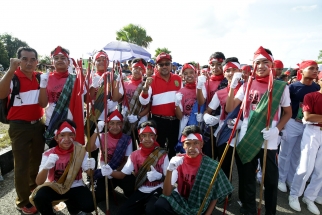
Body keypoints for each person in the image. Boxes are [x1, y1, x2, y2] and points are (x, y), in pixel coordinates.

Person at [226, 46, 292, 215]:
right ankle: (247, 209)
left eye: (265, 62)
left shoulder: (281, 86)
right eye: (257, 63)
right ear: (253, 65)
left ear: (271, 65)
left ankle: (270, 211)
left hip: (269, 136)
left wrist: (277, 130)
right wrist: (233, 87)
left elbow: (288, 112)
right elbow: (230, 107)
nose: (261, 66)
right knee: (246, 177)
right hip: (248, 133)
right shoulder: (247, 84)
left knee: (270, 180)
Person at [0, 47, 45, 214]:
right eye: (24, 59)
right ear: (18, 60)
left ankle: (34, 193)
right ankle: (23, 201)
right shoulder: (12, 77)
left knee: (37, 162)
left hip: (38, 124)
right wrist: (11, 70)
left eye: (32, 59)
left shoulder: (40, 77)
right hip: (19, 127)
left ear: (37, 62)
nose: (29, 62)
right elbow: (1, 93)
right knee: (21, 165)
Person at [154, 125, 233, 215]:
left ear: (201, 144)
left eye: (196, 143)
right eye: (188, 143)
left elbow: (214, 195)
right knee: (160, 204)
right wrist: (169, 169)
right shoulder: (177, 161)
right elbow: (166, 193)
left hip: (200, 204)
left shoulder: (212, 166)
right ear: (183, 145)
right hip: (181, 199)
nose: (191, 147)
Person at [100, 120, 169, 215]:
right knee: (123, 212)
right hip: (141, 190)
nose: (147, 139)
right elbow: (122, 175)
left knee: (151, 210)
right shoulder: (134, 155)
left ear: (156, 137)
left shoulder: (163, 154)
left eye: (151, 135)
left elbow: (170, 180)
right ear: (139, 138)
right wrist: (110, 172)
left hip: (158, 189)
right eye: (144, 136)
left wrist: (160, 177)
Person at [31, 119, 95, 215]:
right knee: (39, 197)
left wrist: (91, 168)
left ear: (74, 136)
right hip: (55, 186)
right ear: (56, 138)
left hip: (75, 186)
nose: (67, 139)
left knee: (90, 205)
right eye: (62, 135)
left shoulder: (80, 152)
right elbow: (39, 182)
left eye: (70, 135)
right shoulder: (48, 154)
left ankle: (73, 207)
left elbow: (90, 173)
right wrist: (46, 167)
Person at [278, 60, 320, 193]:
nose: (315, 71)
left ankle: (290, 178)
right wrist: (282, 124)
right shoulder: (292, 87)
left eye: (316, 69)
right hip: (291, 122)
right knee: (285, 152)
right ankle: (280, 179)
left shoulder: (317, 88)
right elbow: (283, 106)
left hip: (307, 126)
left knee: (297, 154)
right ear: (301, 71)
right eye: (311, 68)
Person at [288, 67, 322, 215]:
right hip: (312, 131)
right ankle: (294, 194)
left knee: (321, 170)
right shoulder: (311, 95)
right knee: (305, 167)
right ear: (320, 80)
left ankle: (310, 197)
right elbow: (307, 117)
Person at [38, 46, 85, 148]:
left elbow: (84, 100)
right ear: (52, 61)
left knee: (71, 152)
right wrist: (42, 86)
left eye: (63, 58)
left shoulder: (75, 79)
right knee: (54, 152)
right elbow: (43, 104)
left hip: (70, 120)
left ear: (68, 62)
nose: (59, 60)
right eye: (56, 58)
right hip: (52, 120)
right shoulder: (46, 78)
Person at [203, 57, 242, 178]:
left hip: (243, 133)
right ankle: (225, 196)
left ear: (240, 71)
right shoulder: (220, 93)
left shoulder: (248, 88)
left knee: (242, 169)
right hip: (224, 133)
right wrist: (206, 117)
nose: (231, 73)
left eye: (234, 70)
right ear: (224, 73)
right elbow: (208, 111)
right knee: (225, 167)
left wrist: (242, 122)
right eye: (228, 70)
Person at [139, 52, 182, 158]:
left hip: (175, 120)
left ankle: (170, 173)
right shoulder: (151, 80)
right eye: (161, 64)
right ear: (156, 66)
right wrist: (145, 88)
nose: (164, 66)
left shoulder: (178, 79)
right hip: (159, 121)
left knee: (173, 149)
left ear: (171, 65)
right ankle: (157, 173)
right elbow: (144, 101)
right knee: (158, 149)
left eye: (167, 63)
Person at [89, 110, 135, 201]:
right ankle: (108, 189)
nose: (115, 127)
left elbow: (127, 160)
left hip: (120, 171)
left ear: (122, 124)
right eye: (112, 123)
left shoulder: (127, 139)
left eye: (118, 123)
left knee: (131, 188)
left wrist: (113, 172)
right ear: (107, 124)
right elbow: (89, 149)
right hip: (104, 171)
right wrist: (96, 131)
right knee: (98, 196)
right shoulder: (102, 137)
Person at [113, 58, 151, 149]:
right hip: (126, 117)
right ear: (131, 68)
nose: (137, 70)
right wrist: (117, 83)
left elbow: (149, 107)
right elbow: (118, 100)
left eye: (140, 69)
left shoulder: (146, 86)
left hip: (141, 120)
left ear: (144, 71)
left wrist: (137, 117)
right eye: (135, 68)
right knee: (127, 145)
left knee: (142, 146)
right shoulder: (125, 83)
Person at [196, 52, 227, 157]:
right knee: (209, 152)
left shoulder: (228, 81)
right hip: (208, 118)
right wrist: (199, 86)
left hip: (224, 120)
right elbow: (201, 102)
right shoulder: (206, 81)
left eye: (219, 64)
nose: (215, 67)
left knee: (222, 154)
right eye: (212, 64)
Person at [174, 63, 205, 153]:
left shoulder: (202, 88)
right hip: (186, 123)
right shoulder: (180, 92)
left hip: (200, 121)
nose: (189, 75)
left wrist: (199, 87)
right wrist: (177, 104)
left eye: (191, 72)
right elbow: (179, 116)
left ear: (196, 74)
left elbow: (201, 102)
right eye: (186, 73)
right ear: (182, 76)